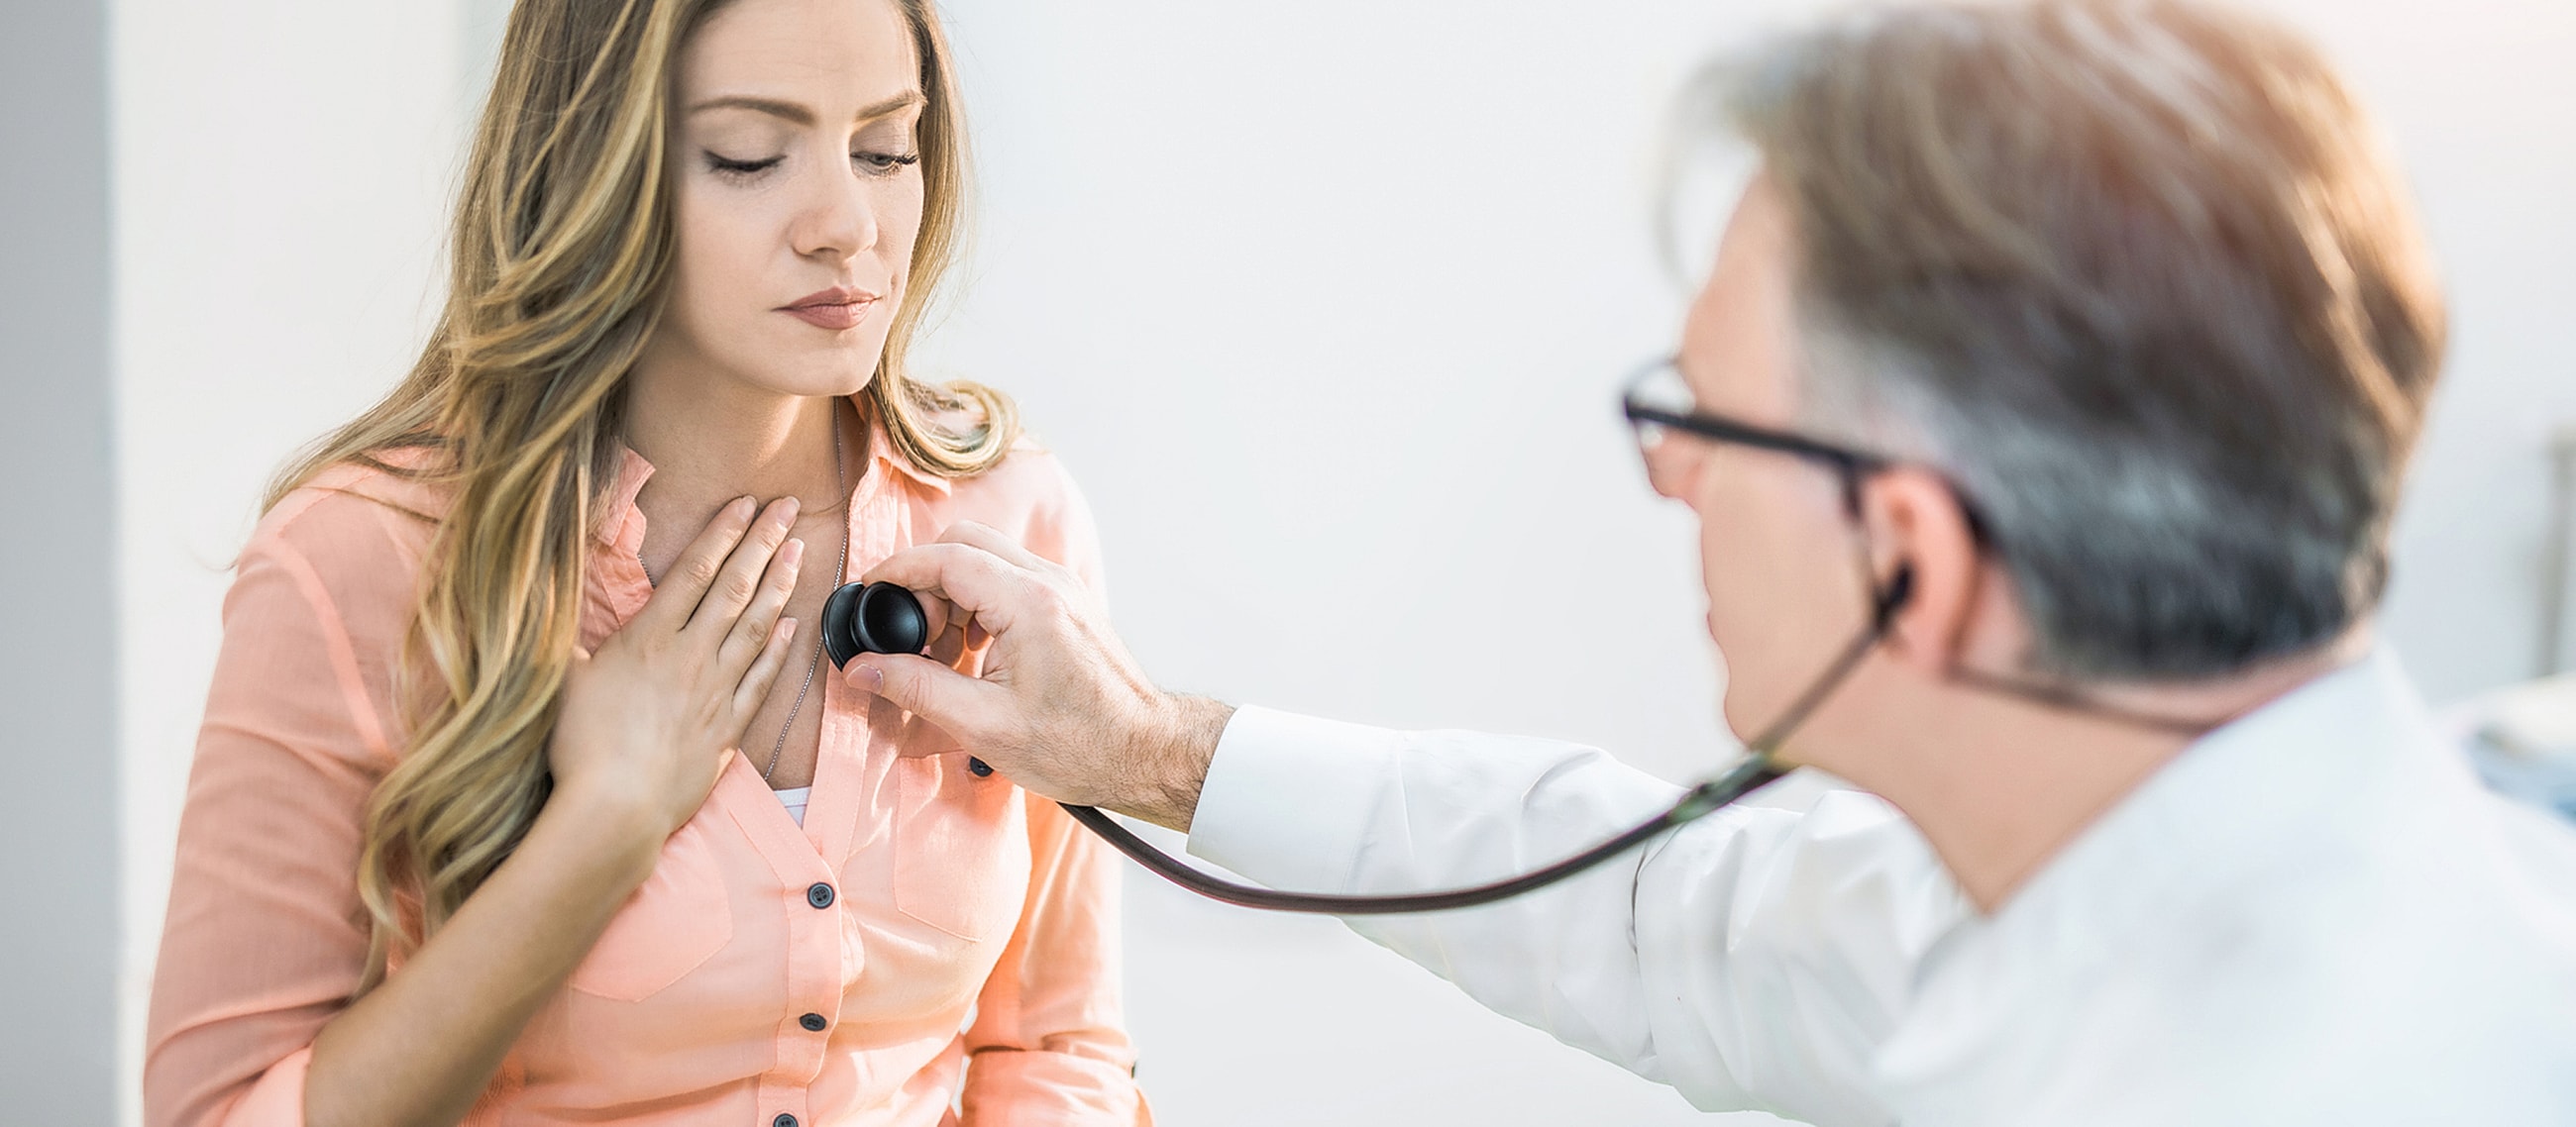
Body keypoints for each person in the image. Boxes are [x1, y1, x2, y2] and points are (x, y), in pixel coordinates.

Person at [839, 1, 2576, 1123]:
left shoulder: (2321, 1064)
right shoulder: (2122, 861)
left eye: (1711, 419)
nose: (1669, 475)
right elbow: (1668, 904)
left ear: (1910, 553)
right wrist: (1151, 742)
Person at [143, 1, 1145, 1125]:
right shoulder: (361, 560)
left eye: (883, 148)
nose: (846, 225)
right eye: (749, 157)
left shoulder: (1010, 518)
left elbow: (1058, 1043)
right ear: (590, 172)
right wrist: (599, 828)